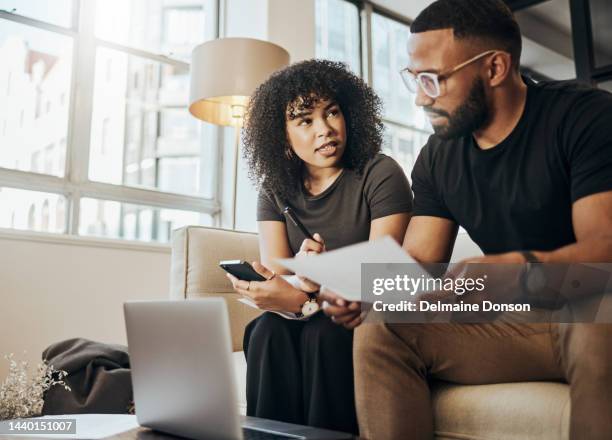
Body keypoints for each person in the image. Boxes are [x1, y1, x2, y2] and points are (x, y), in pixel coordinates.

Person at [321, 1, 612, 439]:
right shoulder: (438, 158)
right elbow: (419, 260)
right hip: (518, 324)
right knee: (382, 327)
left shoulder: (584, 117)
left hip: (594, 307)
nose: (420, 97)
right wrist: (365, 291)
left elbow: (603, 250)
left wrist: (510, 272)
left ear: (495, 68)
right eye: (413, 79)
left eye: (432, 79)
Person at [226, 59, 413, 434]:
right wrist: (285, 286)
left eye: (332, 113)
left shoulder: (380, 173)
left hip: (365, 313)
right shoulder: (274, 190)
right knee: (264, 332)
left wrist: (306, 294)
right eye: (305, 121)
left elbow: (380, 275)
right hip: (307, 311)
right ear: (281, 134)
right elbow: (279, 277)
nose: (325, 129)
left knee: (323, 334)